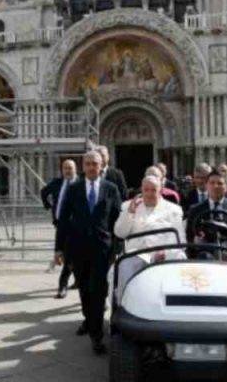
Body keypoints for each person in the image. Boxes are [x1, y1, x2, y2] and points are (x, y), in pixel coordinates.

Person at [54, 150, 121, 355]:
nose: (92, 167)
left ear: (102, 166)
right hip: (78, 248)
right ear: (83, 167)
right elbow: (63, 220)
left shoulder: (111, 189)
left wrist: (117, 248)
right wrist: (58, 248)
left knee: (99, 290)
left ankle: (97, 336)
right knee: (84, 289)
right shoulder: (73, 189)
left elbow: (117, 221)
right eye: (88, 164)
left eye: (95, 164)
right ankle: (90, 320)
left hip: (102, 249)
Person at [113, 175, 184, 299]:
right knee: (125, 265)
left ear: (160, 190)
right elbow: (120, 233)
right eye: (146, 190)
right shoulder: (129, 206)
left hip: (165, 253)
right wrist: (129, 213)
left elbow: (180, 240)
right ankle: (123, 304)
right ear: (141, 190)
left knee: (181, 261)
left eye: (153, 190)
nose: (150, 194)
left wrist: (166, 253)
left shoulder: (173, 209)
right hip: (138, 253)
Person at [186, 168, 227, 251]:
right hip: (205, 254)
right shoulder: (195, 210)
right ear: (206, 185)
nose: (215, 186)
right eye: (212, 183)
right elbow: (188, 236)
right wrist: (195, 241)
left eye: (220, 183)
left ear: (226, 187)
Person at [41, 159, 78, 299]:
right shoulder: (57, 182)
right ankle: (67, 284)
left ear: (75, 169)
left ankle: (63, 285)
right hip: (60, 224)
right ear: (62, 170)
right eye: (65, 168)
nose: (68, 170)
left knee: (69, 256)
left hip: (76, 226)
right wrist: (48, 206)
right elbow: (44, 191)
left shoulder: (80, 184)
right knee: (66, 254)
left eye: (70, 168)